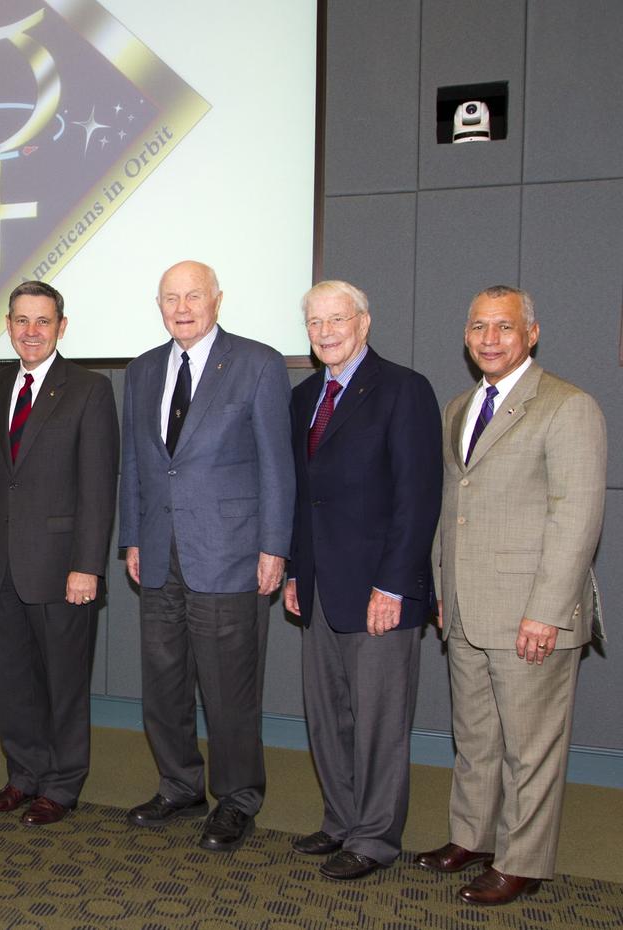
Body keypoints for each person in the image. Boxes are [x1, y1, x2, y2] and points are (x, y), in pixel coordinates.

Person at [417, 285, 606, 905]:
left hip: (531, 614)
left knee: (530, 750)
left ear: (532, 333)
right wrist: (445, 588)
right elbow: (453, 509)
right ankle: (470, 837)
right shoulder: (458, 408)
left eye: (503, 327)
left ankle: (521, 860)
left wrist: (547, 613)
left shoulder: (567, 407)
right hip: (468, 608)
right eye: (478, 327)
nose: (489, 339)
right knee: (474, 738)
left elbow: (575, 521)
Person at [118, 260, 293, 850]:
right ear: (159, 305)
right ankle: (179, 784)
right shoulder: (142, 370)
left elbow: (276, 462)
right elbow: (139, 464)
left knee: (228, 690)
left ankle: (237, 799)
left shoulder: (258, 363)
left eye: (194, 295)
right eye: (171, 298)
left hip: (230, 553)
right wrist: (134, 538)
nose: (183, 307)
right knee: (163, 683)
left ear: (218, 299)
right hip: (160, 555)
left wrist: (274, 547)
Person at [282, 281, 442, 880]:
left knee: (378, 720)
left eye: (337, 319)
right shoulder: (303, 399)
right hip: (320, 585)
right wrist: (298, 572)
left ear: (364, 322)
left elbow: (417, 498)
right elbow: (304, 499)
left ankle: (375, 839)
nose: (325, 331)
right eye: (314, 322)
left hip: (380, 588)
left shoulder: (404, 390)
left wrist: (395, 586)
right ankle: (340, 821)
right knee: (327, 713)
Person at [0, 281, 119, 825]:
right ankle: (23, 775)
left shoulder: (88, 389)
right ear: (7, 326)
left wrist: (88, 565)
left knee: (63, 682)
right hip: (0, 564)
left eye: (43, 321)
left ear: (61, 326)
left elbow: (99, 486)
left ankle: (61, 783)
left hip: (62, 568)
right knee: (11, 680)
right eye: (21, 320)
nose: (31, 331)